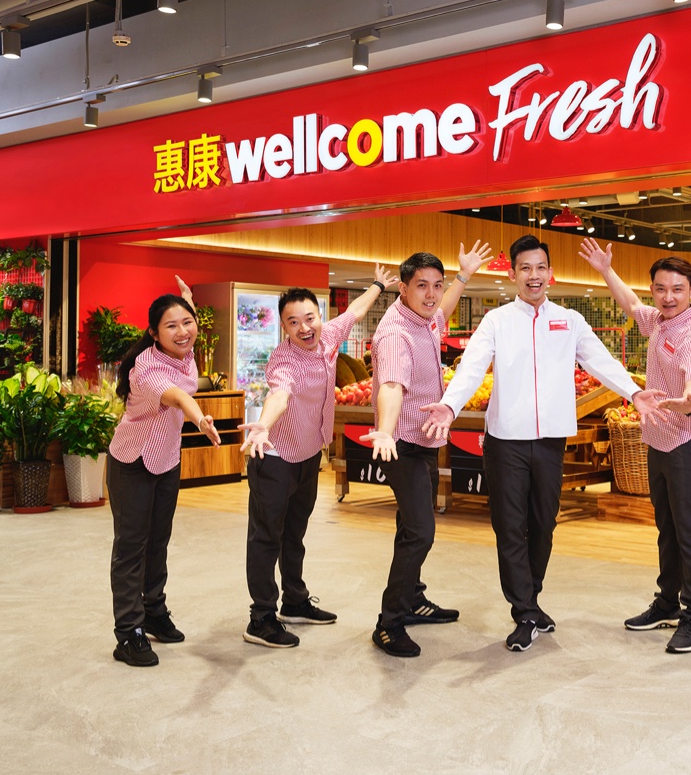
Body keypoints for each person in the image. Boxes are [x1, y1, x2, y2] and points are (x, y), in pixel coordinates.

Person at [423, 234, 663, 652]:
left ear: (550, 274)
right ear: (513, 273)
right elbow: (472, 369)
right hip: (505, 442)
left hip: (550, 441)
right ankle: (524, 611)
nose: (533, 276)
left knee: (544, 525)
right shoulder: (496, 321)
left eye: (540, 268)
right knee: (510, 527)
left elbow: (600, 359)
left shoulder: (569, 320)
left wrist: (633, 392)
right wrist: (448, 405)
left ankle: (531, 598)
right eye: (525, 268)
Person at [239, 267, 396, 649]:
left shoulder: (328, 338)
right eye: (293, 322)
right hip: (275, 458)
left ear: (319, 316)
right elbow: (279, 394)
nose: (304, 327)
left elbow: (356, 312)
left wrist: (376, 285)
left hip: (309, 457)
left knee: (295, 534)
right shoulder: (283, 362)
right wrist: (262, 425)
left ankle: (294, 600)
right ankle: (261, 617)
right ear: (283, 327)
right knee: (266, 539)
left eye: (309, 318)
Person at [579, 239, 691, 655]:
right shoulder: (658, 320)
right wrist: (605, 270)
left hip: (687, 445)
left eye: (677, 289)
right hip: (659, 442)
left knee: (690, 533)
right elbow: (629, 305)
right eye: (661, 288)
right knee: (667, 529)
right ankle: (667, 601)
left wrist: (688, 401)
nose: (668, 296)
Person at [365, 241, 491, 658]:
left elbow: (443, 312)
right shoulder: (396, 334)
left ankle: (413, 597)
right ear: (403, 287)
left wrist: (462, 276)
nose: (432, 294)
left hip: (422, 437)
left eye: (436, 285)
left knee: (410, 526)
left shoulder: (424, 318)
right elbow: (391, 386)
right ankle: (390, 622)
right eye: (422, 286)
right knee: (420, 531)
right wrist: (384, 430)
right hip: (399, 442)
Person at [105, 293, 221, 667]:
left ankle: (154, 610)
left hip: (166, 460)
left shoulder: (184, 353)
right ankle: (128, 633)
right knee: (131, 547)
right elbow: (176, 396)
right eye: (171, 326)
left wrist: (187, 301)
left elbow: (184, 356)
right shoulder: (146, 368)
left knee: (158, 541)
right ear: (154, 334)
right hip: (132, 463)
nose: (183, 331)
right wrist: (200, 418)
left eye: (188, 323)